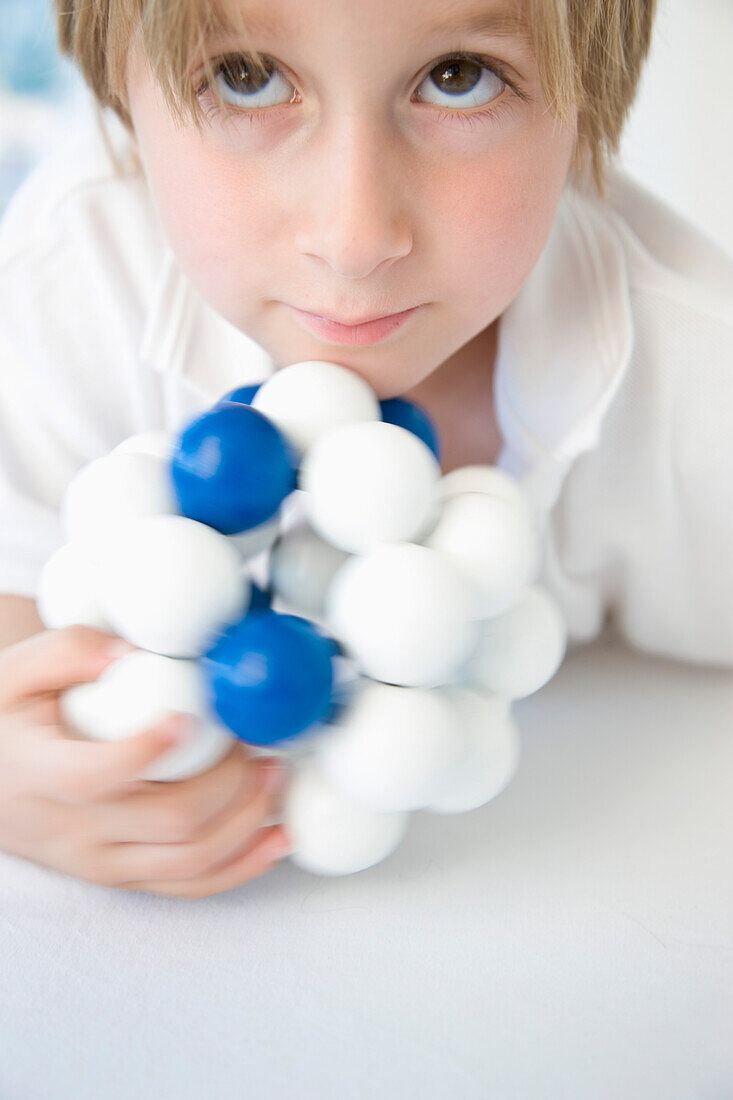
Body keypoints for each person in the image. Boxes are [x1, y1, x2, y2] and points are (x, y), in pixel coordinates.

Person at [0, 0, 731, 899]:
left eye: (458, 75)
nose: (353, 238)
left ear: (589, 98)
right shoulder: (65, 286)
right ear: (120, 87)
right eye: (245, 75)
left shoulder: (696, 391)